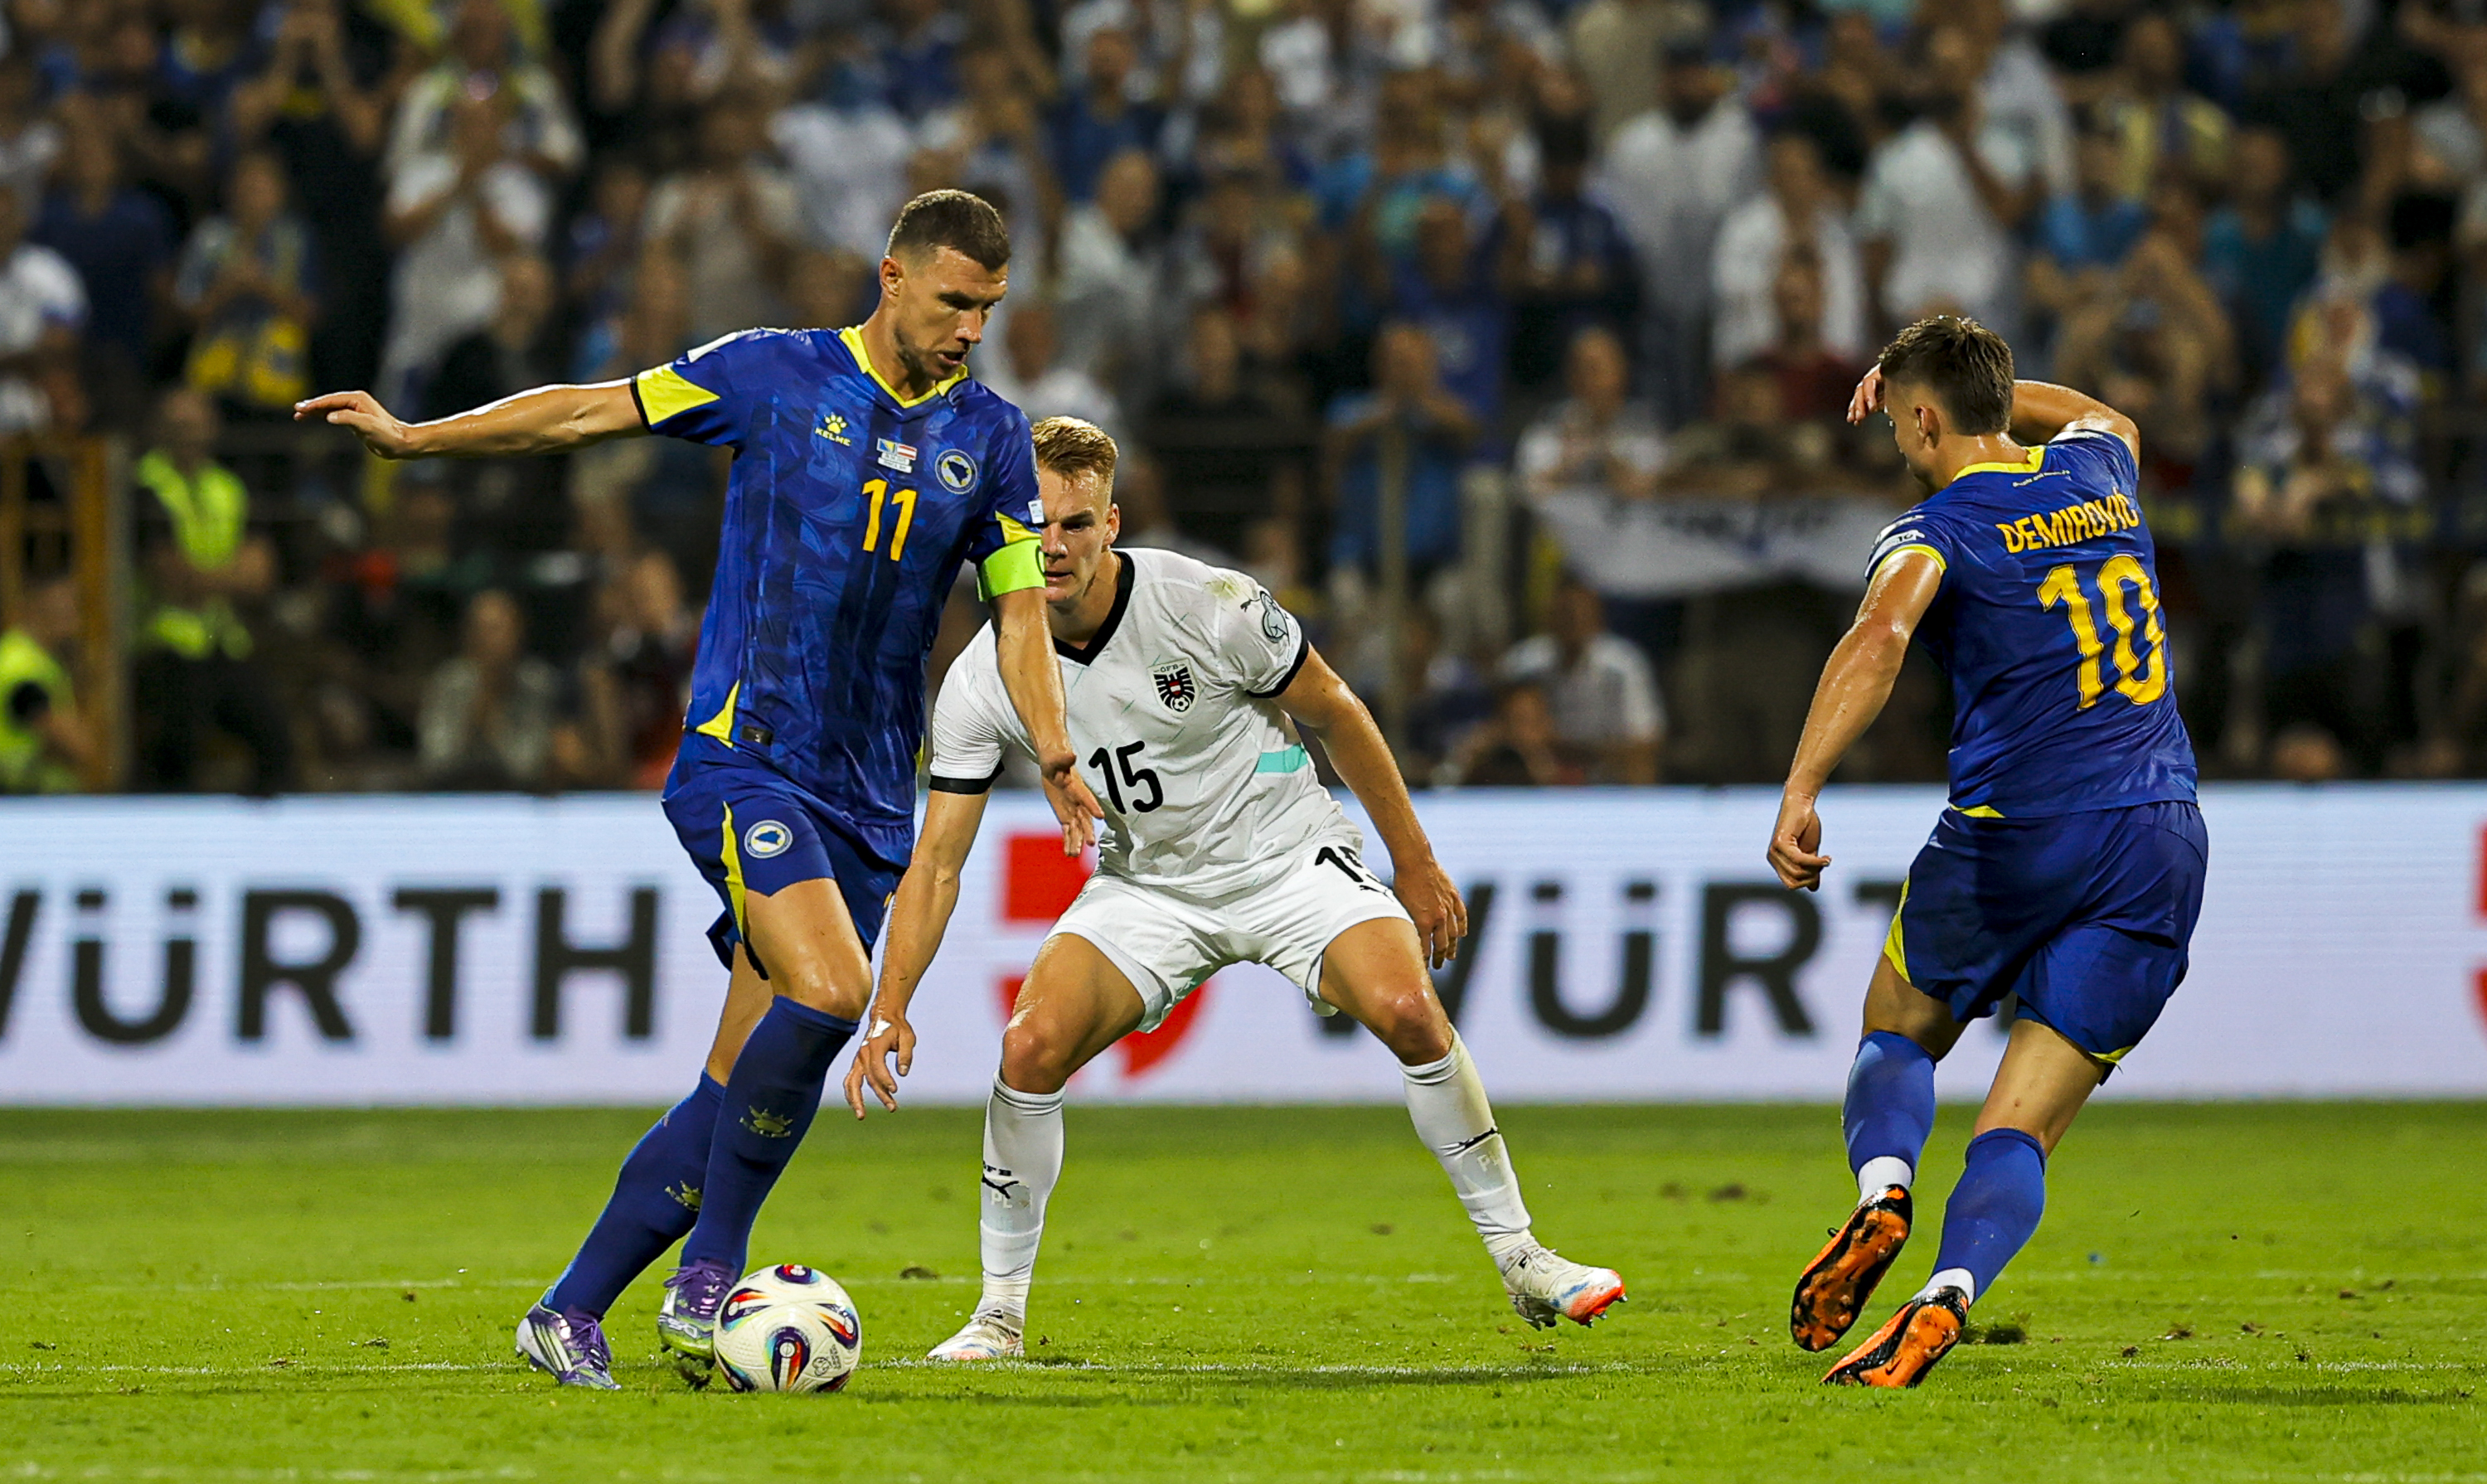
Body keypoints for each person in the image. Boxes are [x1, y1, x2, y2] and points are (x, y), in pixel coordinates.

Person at [295, 189, 1103, 1390]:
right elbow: (587, 413)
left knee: (738, 1078)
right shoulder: (770, 372)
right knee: (829, 990)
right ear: (891, 276)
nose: (971, 329)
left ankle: (568, 1309)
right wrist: (419, 439)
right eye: (952, 302)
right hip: (746, 753)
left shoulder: (989, 440)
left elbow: (1021, 612)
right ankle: (710, 1275)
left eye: (987, 307)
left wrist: (1053, 746)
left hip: (871, 797)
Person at [841, 416, 1625, 1359]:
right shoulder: (982, 678)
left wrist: (1412, 861)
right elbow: (938, 861)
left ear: (1111, 523)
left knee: (1410, 1007)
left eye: (1077, 524)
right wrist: (889, 1003)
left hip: (1287, 855)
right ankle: (999, 1314)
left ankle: (1522, 1256)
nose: (1054, 546)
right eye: (1033, 525)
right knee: (1031, 1043)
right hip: (1151, 886)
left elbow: (1337, 708)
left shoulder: (1208, 602)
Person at [1766, 316, 2204, 1387]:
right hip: (2158, 835)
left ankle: (1882, 1190)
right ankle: (1946, 1292)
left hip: (2013, 836)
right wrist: (1994, 395)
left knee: (1900, 1029)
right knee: (2021, 1127)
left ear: (1920, 418)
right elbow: (2107, 413)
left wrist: (1803, 783)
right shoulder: (2102, 471)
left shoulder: (1935, 528)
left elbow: (1880, 637)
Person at [0, 574, 98, 793]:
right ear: (37, 607)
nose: (75, 617)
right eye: (67, 608)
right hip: (25, 798)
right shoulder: (23, 666)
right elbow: (76, 746)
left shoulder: (32, 656)